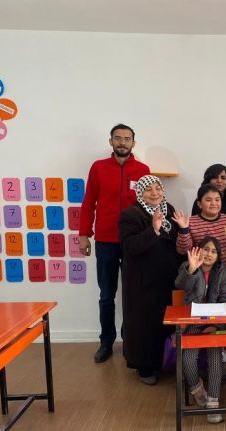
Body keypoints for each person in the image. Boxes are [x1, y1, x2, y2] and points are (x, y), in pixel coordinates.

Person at [79, 123, 151, 363]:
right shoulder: (98, 168)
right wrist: (83, 234)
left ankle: (130, 338)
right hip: (105, 240)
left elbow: (149, 204)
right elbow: (89, 202)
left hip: (133, 241)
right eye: (118, 138)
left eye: (127, 139)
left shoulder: (143, 170)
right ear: (111, 141)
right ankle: (106, 341)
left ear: (133, 143)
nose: (122, 142)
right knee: (107, 295)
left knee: (133, 294)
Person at [119, 175, 181, 385]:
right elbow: (129, 247)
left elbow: (175, 241)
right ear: (140, 192)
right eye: (149, 189)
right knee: (144, 324)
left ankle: (165, 362)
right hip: (142, 282)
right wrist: (153, 230)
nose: (154, 193)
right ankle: (144, 366)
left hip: (167, 278)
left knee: (165, 322)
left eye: (158, 188)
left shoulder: (169, 210)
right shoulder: (130, 215)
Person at [175, 237, 226, 424]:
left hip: (215, 323)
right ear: (198, 250)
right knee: (188, 358)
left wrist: (218, 326)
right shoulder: (188, 265)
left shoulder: (222, 272)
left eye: (214, 251)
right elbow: (180, 284)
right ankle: (197, 388)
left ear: (218, 256)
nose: (209, 254)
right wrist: (191, 269)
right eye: (206, 249)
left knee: (215, 357)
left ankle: (213, 402)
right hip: (193, 323)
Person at [175, 184, 226, 268]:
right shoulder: (190, 222)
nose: (214, 203)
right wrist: (184, 229)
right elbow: (183, 250)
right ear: (199, 204)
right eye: (208, 200)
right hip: (200, 270)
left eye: (217, 200)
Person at [191, 164, 226, 238]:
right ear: (208, 180)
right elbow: (194, 227)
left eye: (223, 178)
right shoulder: (200, 202)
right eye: (215, 177)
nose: (219, 181)